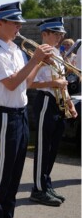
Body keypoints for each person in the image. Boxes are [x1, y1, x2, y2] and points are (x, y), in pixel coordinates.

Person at [0, 2, 53, 218]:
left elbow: (27, 83)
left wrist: (40, 62)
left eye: (19, 23)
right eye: (14, 22)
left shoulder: (15, 49)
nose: (18, 27)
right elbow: (11, 83)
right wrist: (35, 60)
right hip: (3, 116)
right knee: (2, 173)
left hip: (20, 114)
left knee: (14, 173)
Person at [28, 17, 78, 207]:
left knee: (53, 147)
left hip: (58, 103)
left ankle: (46, 184)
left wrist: (69, 103)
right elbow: (29, 83)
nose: (59, 37)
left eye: (61, 34)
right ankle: (38, 189)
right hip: (45, 102)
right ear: (44, 34)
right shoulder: (37, 53)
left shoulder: (57, 53)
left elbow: (62, 80)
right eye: (55, 34)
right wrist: (52, 83)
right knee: (43, 148)